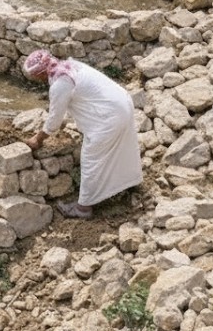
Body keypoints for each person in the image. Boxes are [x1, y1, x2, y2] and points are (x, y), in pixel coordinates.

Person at [22, 49, 143, 219]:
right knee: (123, 147)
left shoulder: (60, 84)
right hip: (123, 104)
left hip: (110, 117)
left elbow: (54, 121)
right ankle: (130, 182)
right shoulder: (71, 65)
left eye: (34, 76)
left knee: (90, 159)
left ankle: (83, 208)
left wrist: (38, 139)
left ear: (40, 74)